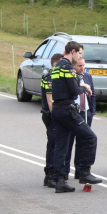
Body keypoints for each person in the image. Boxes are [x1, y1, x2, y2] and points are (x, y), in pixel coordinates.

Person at [51, 42, 102, 192]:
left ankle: (59, 181)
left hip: (57, 109)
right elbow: (74, 91)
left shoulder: (57, 66)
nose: (80, 56)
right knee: (90, 137)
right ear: (72, 51)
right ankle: (84, 172)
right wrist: (84, 87)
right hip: (68, 110)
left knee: (61, 146)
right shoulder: (67, 67)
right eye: (79, 53)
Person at [65, 58, 96, 180]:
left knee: (83, 142)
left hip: (85, 112)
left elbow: (93, 94)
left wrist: (91, 112)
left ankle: (80, 170)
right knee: (69, 142)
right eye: (79, 66)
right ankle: (65, 171)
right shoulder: (70, 78)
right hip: (73, 114)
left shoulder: (87, 77)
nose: (82, 68)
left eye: (83, 65)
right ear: (73, 66)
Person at [41, 53, 64, 188]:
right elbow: (51, 102)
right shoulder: (50, 78)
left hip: (56, 114)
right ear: (56, 64)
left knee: (58, 145)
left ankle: (56, 173)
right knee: (53, 144)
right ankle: (50, 174)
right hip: (52, 115)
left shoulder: (57, 77)